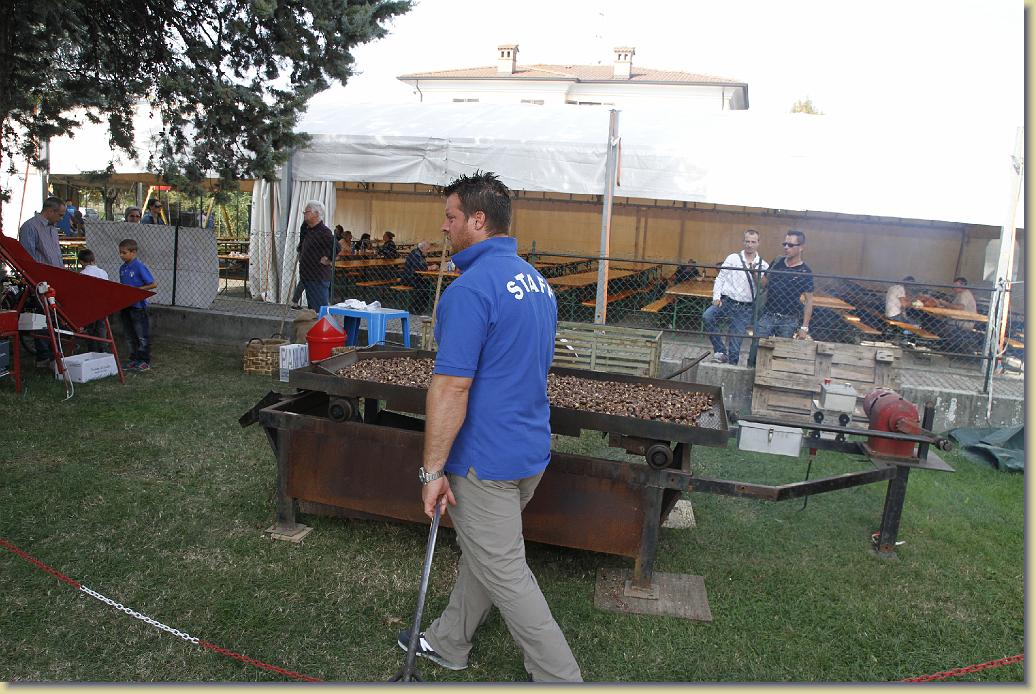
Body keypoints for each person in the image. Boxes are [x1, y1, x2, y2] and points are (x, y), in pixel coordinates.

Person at [396, 172, 581, 682]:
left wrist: (432, 471)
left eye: (451, 216)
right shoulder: (537, 283)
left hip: (485, 461)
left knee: (507, 573)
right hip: (529, 450)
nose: (445, 226)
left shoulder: (469, 291)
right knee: (487, 554)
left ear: (478, 220)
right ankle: (449, 640)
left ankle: (562, 679)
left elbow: (451, 388)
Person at [748, 229, 813, 367]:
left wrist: (804, 327)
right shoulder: (777, 262)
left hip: (788, 319)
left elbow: (809, 301)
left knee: (781, 353)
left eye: (790, 245)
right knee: (756, 346)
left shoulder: (805, 271)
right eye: (785, 244)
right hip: (768, 314)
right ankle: (750, 370)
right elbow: (764, 283)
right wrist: (754, 273)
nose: (786, 247)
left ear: (801, 247)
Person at [703, 229, 768, 365]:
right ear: (743, 242)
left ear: (758, 243)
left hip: (745, 308)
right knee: (708, 316)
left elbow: (763, 286)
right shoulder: (732, 258)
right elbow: (720, 278)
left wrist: (755, 272)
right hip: (727, 302)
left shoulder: (763, 265)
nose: (750, 245)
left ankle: (731, 367)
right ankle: (720, 351)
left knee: (735, 346)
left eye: (753, 242)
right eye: (747, 241)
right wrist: (716, 297)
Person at [18, 197, 66, 367]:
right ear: (50, 211)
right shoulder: (30, 227)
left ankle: (54, 352)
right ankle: (44, 356)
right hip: (40, 282)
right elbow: (28, 258)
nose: (61, 218)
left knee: (53, 318)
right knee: (43, 318)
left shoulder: (52, 228)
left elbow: (56, 255)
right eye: (60, 215)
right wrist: (36, 281)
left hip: (56, 279)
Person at [117, 238, 158, 371]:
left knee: (141, 335)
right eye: (120, 252)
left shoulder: (139, 266)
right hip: (126, 306)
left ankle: (144, 360)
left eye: (124, 253)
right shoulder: (122, 268)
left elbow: (153, 284)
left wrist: (137, 291)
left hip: (138, 307)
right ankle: (133, 359)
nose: (121, 255)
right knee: (129, 335)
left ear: (133, 252)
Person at [297, 200, 334, 311]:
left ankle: (324, 323)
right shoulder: (308, 229)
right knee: (313, 311)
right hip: (308, 276)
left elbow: (336, 247)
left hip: (318, 277)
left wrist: (328, 259)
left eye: (307, 212)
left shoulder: (324, 232)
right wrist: (300, 250)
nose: (304, 214)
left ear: (317, 214)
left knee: (320, 310)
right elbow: (302, 238)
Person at [78, 249, 111, 352]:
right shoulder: (103, 272)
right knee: (101, 328)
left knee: (90, 329)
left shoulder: (83, 273)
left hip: (90, 306)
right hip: (102, 304)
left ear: (81, 262)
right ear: (94, 259)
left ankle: (93, 350)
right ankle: (103, 349)